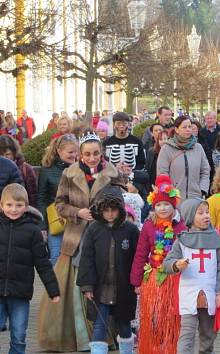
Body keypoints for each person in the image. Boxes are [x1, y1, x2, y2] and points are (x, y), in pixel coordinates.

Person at [38, 130, 126, 352]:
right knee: (76, 288)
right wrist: (78, 212)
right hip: (76, 238)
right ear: (80, 154)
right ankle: (81, 336)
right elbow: (59, 204)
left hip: (104, 237)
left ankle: (106, 335)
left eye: (96, 153)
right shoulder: (70, 173)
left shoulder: (112, 173)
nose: (92, 157)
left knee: (104, 284)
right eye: (87, 153)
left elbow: (120, 203)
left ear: (101, 153)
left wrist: (99, 213)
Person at [76, 185, 139, 354]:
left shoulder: (131, 230)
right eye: (106, 210)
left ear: (120, 210)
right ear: (100, 210)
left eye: (114, 210)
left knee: (124, 325)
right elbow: (86, 258)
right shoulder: (93, 229)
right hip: (100, 287)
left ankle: (127, 350)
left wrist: (138, 281)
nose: (110, 214)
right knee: (99, 324)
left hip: (124, 287)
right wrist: (87, 285)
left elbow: (138, 258)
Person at [0, 183, 60, 354]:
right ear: (1, 205)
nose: (13, 209)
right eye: (9, 205)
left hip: (20, 292)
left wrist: (53, 290)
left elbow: (43, 263)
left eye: (18, 205)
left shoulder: (32, 231)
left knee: (18, 335)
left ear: (26, 207)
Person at [130, 175, 186, 354]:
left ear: (173, 206)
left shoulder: (181, 227)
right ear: (154, 207)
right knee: (155, 315)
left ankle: (172, 346)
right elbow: (140, 253)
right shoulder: (148, 226)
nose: (162, 208)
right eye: (159, 205)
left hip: (176, 278)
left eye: (166, 205)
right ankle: (155, 347)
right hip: (154, 276)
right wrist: (136, 281)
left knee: (173, 315)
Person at [164, 198, 220, 354]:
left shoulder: (216, 239)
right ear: (191, 217)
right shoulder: (182, 241)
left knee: (208, 334)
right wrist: (176, 265)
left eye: (207, 212)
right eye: (201, 213)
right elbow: (167, 263)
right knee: (187, 333)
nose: (206, 216)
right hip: (188, 293)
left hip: (209, 293)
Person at [37, 134, 79, 265]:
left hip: (76, 220)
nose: (74, 155)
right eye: (70, 152)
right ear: (59, 151)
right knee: (56, 258)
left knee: (75, 259)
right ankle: (56, 286)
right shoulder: (47, 170)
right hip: (56, 221)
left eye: (76, 152)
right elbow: (42, 199)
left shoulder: (79, 168)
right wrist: (42, 226)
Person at [157, 116, 210, 199]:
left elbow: (205, 170)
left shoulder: (198, 148)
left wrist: (202, 189)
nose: (188, 129)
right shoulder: (167, 148)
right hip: (174, 197)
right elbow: (162, 173)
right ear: (177, 129)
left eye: (190, 127)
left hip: (196, 197)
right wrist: (170, 192)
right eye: (184, 127)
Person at [0, 136, 37, 206]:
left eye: (7, 154)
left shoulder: (26, 169)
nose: (4, 158)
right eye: (1, 155)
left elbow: (32, 196)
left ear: (14, 153)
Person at [199, 111, 220, 179]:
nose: (209, 120)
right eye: (207, 118)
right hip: (206, 160)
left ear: (215, 119)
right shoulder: (201, 131)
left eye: (211, 118)